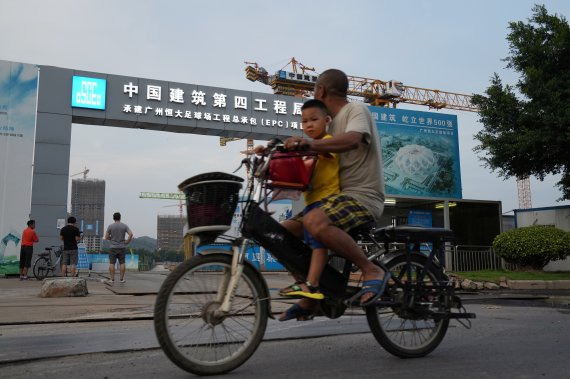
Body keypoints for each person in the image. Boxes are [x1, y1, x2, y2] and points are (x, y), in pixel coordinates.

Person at [279, 68, 389, 321]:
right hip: (332, 199)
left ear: (320, 91)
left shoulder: (355, 111)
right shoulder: (325, 124)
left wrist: (309, 144)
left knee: (314, 220)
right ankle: (310, 292)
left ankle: (370, 270)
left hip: (363, 196)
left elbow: (352, 140)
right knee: (279, 234)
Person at [278, 99, 338, 301]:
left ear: (327, 120)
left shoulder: (328, 141)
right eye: (304, 122)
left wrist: (303, 144)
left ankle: (312, 284)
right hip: (311, 203)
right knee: (279, 233)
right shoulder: (307, 145)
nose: (309, 125)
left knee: (317, 241)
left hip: (327, 201)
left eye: (314, 119)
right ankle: (301, 279)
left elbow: (319, 149)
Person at [105, 212, 133, 284]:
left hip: (112, 247)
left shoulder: (110, 226)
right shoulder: (124, 226)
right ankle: (121, 279)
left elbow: (106, 237)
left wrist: (112, 238)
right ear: (120, 217)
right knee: (122, 263)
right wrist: (127, 242)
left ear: (113, 218)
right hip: (122, 247)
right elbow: (131, 234)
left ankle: (112, 279)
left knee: (112, 263)